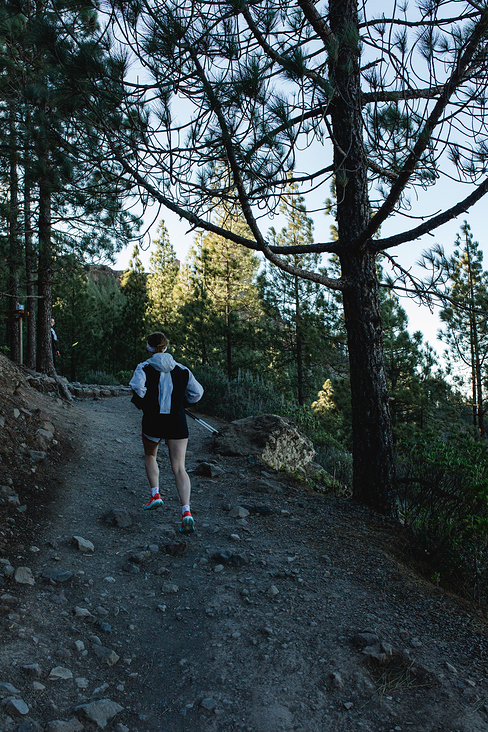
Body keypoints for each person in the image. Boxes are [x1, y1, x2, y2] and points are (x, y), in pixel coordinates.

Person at [129, 332, 204, 533]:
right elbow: (197, 392)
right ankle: (186, 512)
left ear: (149, 347)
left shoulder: (144, 367)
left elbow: (137, 388)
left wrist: (146, 404)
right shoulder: (182, 369)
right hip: (177, 422)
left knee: (150, 455)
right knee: (180, 467)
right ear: (166, 347)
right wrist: (181, 403)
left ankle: (156, 495)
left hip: (153, 420)